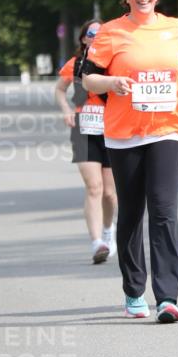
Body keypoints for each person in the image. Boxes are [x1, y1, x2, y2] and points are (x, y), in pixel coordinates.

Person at [82, 0, 178, 323]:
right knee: (132, 212)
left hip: (168, 128)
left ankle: (167, 297)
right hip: (124, 133)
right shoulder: (110, 32)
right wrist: (112, 83)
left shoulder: (175, 27)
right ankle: (134, 290)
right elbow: (88, 79)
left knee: (164, 209)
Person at [55, 19, 118, 265]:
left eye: (101, 34)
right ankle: (97, 243)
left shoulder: (112, 63)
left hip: (112, 129)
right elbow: (60, 89)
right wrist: (66, 110)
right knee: (94, 187)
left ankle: (108, 230)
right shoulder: (74, 64)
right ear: (83, 39)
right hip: (84, 128)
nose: (96, 37)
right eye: (92, 34)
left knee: (110, 193)